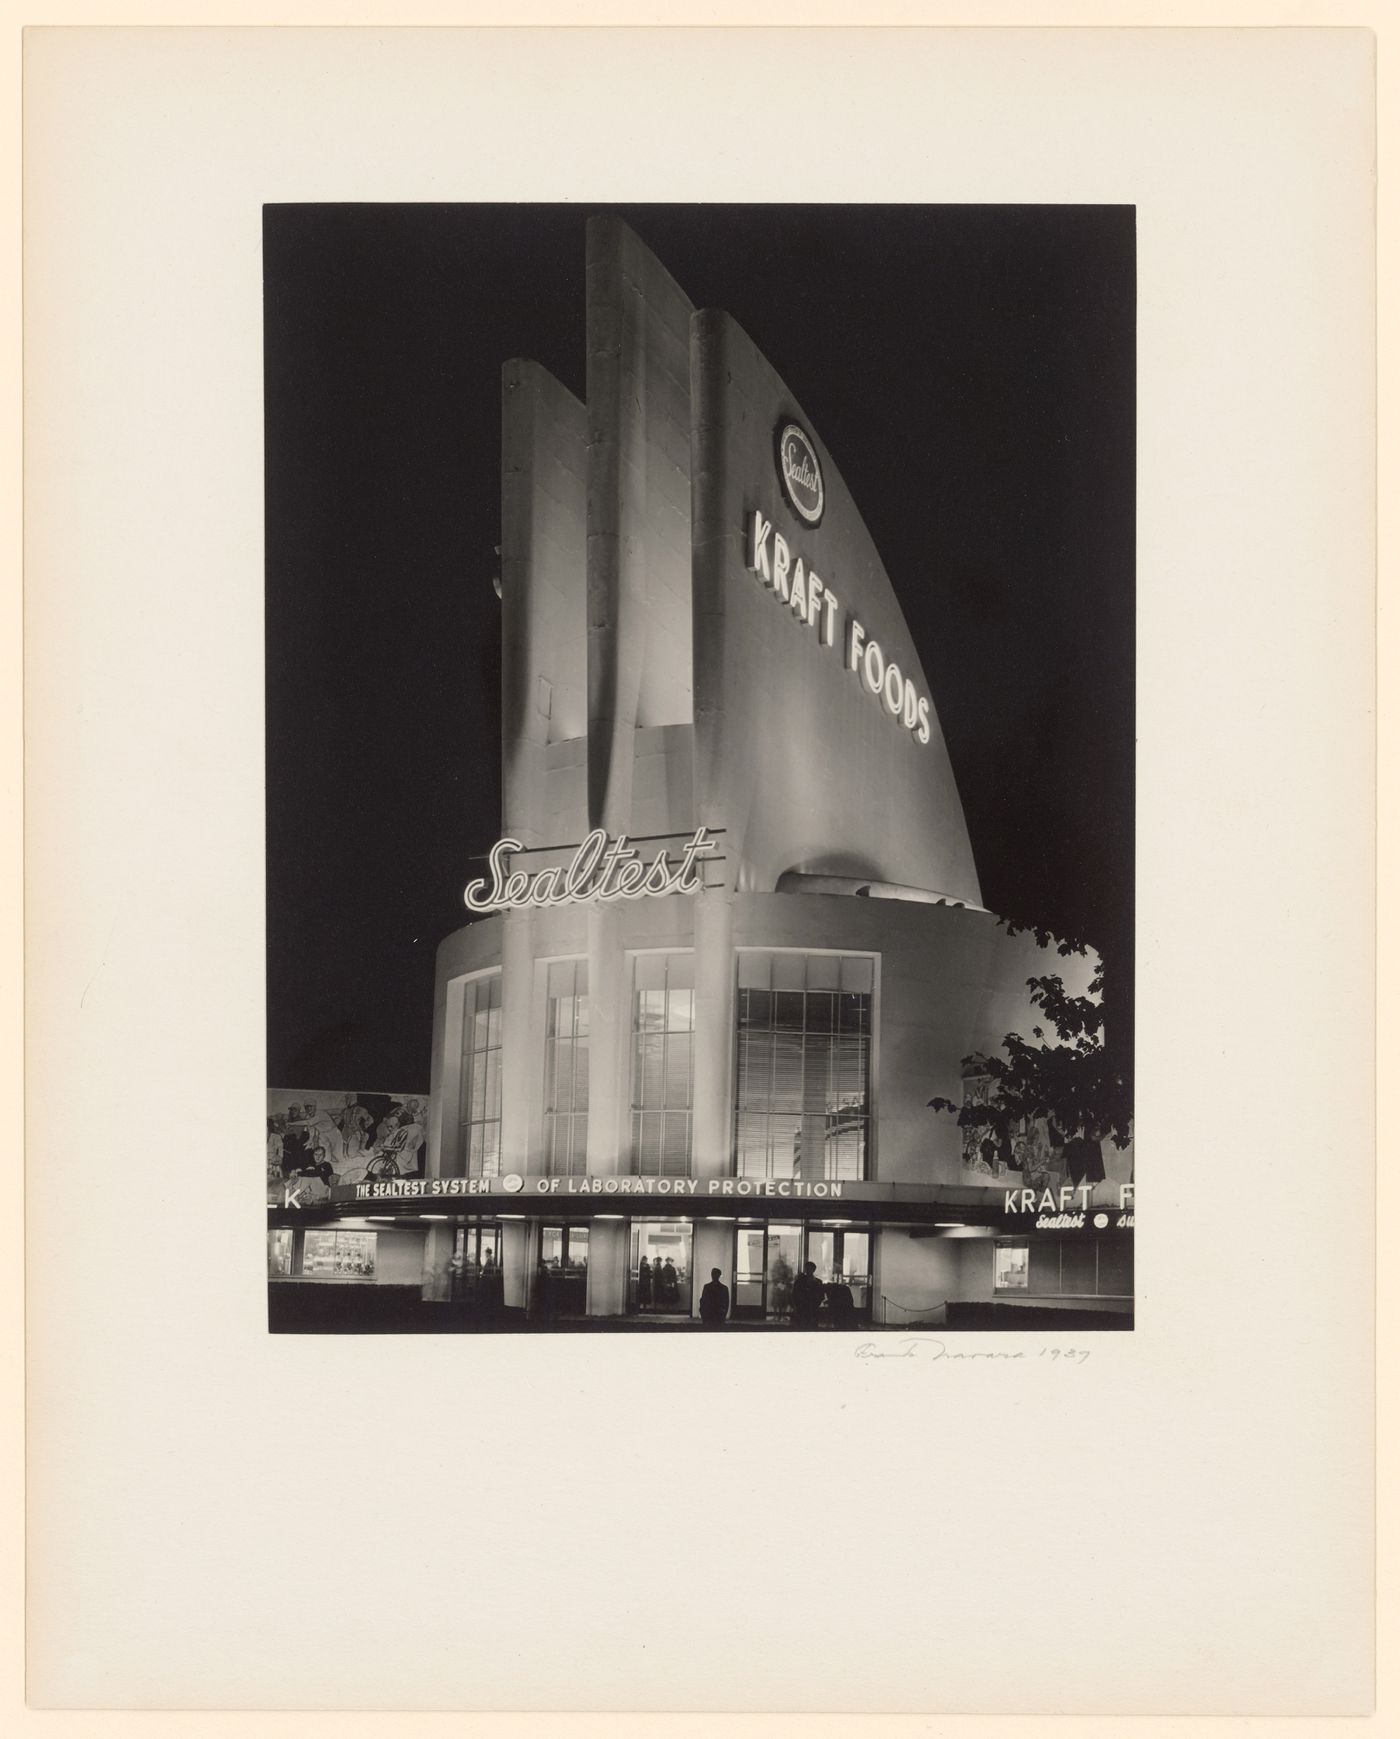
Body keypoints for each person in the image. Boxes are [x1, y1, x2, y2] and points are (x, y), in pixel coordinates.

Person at [791, 1259, 825, 1328]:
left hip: (811, 1307)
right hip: (803, 1306)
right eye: (808, 1269)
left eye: (810, 1269)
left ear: (813, 1270)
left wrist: (815, 1304)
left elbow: (821, 1296)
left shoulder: (817, 1282)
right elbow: (795, 1293)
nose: (809, 1270)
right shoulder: (800, 1281)